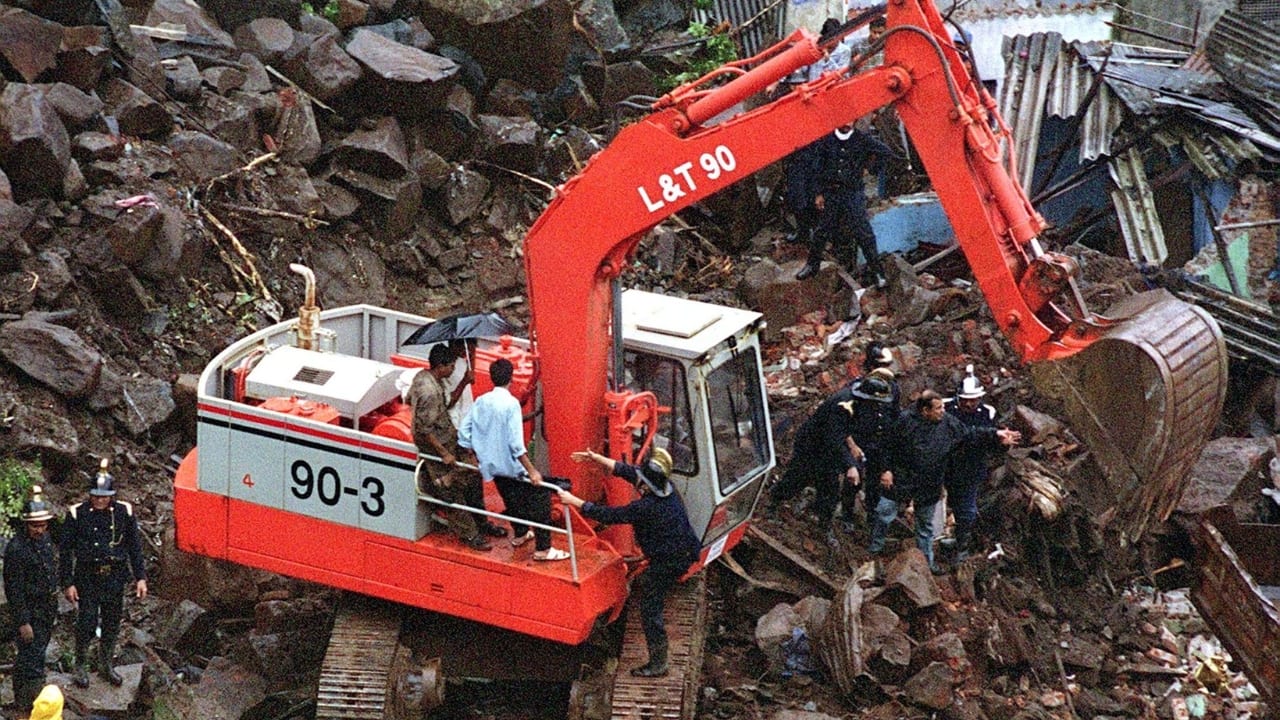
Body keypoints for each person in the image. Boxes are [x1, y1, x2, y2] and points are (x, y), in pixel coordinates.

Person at [561, 447, 700, 677]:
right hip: (683, 549)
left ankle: (658, 663)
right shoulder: (667, 489)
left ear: (646, 486)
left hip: (670, 561)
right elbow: (629, 471)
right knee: (650, 589)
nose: (638, 482)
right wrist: (597, 459)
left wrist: (573, 501)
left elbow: (609, 515)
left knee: (650, 608)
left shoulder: (645, 507)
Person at [869, 391, 1019, 573]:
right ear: (925, 410)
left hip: (929, 482)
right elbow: (887, 446)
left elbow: (970, 434)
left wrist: (996, 434)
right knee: (884, 513)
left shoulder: (948, 423)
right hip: (902, 477)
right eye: (938, 408)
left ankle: (927, 563)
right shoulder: (905, 421)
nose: (943, 411)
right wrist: (886, 470)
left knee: (925, 526)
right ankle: (874, 550)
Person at [459, 358, 569, 561]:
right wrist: (533, 471)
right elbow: (516, 444)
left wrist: (476, 453)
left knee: (510, 498)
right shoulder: (511, 405)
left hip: (490, 466)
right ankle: (544, 548)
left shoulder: (481, 401)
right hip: (510, 466)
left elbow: (464, 434)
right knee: (540, 500)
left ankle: (520, 533)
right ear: (510, 378)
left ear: (492, 377)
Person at [768, 376, 895, 538]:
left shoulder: (860, 405)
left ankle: (824, 524)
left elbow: (846, 429)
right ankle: (773, 502)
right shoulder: (842, 405)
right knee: (798, 478)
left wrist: (853, 446)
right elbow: (833, 436)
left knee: (830, 489)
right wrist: (850, 465)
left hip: (831, 450)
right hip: (812, 446)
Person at [60, 459, 148, 688]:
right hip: (88, 577)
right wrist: (67, 582)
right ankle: (81, 664)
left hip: (114, 577)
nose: (100, 500)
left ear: (111, 495)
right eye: (96, 496)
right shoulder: (77, 514)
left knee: (111, 622)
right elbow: (66, 551)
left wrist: (140, 577)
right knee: (87, 622)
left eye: (104, 496)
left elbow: (134, 546)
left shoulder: (123, 513)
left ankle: (106, 664)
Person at [408, 343, 491, 551]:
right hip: (436, 447)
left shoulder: (425, 378)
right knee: (450, 490)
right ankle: (470, 534)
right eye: (451, 366)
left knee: (472, 474)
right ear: (441, 366)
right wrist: (444, 454)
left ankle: (480, 522)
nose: (454, 369)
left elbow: (441, 403)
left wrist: (464, 382)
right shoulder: (429, 392)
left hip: (448, 436)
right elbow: (423, 429)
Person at [796, 123, 895, 285]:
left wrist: (869, 167)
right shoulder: (826, 139)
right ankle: (812, 265)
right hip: (831, 193)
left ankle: (877, 272)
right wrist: (818, 193)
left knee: (864, 232)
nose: (847, 123)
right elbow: (816, 168)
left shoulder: (862, 139)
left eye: (850, 120)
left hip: (852, 193)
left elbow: (885, 152)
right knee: (823, 230)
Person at [3, 486, 59, 715]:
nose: (40, 529)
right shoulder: (17, 550)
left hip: (46, 610)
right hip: (30, 613)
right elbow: (14, 589)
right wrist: (23, 621)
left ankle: (27, 701)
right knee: (31, 661)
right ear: (26, 524)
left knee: (34, 656)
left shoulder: (44, 541)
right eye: (35, 525)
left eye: (43, 524)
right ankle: (31, 705)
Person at [941, 365, 999, 562]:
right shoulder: (945, 408)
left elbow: (991, 440)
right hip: (944, 465)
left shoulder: (987, 413)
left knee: (966, 510)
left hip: (971, 468)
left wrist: (1003, 443)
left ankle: (961, 544)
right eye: (966, 400)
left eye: (974, 399)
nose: (970, 404)